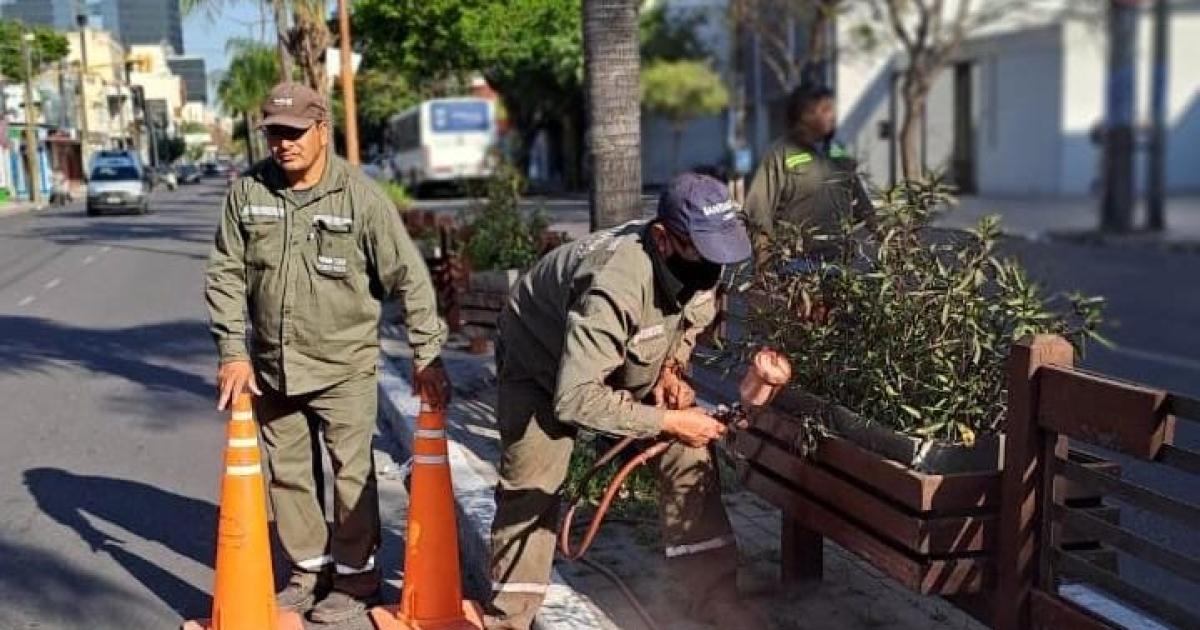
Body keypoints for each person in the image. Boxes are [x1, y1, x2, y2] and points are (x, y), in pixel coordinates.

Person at [204, 82, 450, 624]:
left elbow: (409, 277)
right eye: (274, 133)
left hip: (343, 367)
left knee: (350, 474)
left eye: (294, 133)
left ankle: (358, 577)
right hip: (272, 366)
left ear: (322, 131)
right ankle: (309, 571)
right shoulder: (248, 195)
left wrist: (426, 354)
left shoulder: (360, 199)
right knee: (289, 474)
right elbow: (225, 273)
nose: (283, 144)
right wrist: (232, 351)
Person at [486, 173, 766, 630]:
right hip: (541, 362)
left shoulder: (703, 263)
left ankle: (714, 596)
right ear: (663, 239)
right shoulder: (613, 285)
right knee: (533, 480)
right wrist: (669, 421)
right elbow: (574, 399)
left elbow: (687, 326)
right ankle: (508, 617)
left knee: (690, 455)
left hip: (620, 352)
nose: (714, 268)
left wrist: (672, 372)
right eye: (704, 252)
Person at [743, 84, 874, 259]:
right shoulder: (780, 154)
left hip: (839, 263)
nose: (833, 116)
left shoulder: (838, 153)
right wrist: (764, 262)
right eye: (826, 110)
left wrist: (890, 239)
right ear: (804, 115)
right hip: (795, 265)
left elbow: (861, 203)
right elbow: (758, 211)